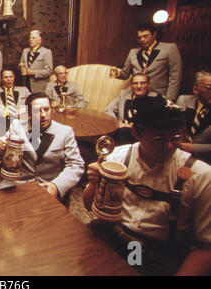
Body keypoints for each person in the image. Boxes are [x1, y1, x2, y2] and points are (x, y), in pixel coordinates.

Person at [83, 96, 211, 276]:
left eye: (175, 137)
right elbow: (89, 206)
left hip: (158, 253)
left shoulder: (201, 176)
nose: (169, 146)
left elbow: (206, 248)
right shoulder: (117, 158)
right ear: (136, 132)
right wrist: (95, 183)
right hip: (113, 236)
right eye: (159, 139)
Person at [0, 93, 84, 204]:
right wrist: (0, 150)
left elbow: (76, 165)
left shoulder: (65, 132)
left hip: (49, 189)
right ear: (29, 113)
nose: (43, 115)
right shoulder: (17, 126)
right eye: (37, 111)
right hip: (17, 187)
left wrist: (56, 186)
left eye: (46, 109)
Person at [114, 23, 182, 101]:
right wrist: (118, 73)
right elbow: (126, 74)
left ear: (154, 34)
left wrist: (170, 98)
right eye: (139, 37)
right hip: (137, 95)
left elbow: (175, 77)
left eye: (145, 36)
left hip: (159, 96)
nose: (142, 40)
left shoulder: (169, 49)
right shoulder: (133, 52)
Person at [105, 73, 159, 145]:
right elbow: (108, 110)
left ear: (148, 85)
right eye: (135, 83)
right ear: (131, 85)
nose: (139, 86)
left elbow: (156, 122)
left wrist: (133, 127)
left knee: (123, 132)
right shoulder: (123, 95)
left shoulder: (155, 99)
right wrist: (117, 123)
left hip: (142, 135)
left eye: (142, 83)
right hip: (120, 131)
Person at [177, 70, 210, 164]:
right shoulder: (183, 101)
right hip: (180, 155)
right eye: (209, 87)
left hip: (206, 160)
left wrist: (194, 147)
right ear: (195, 89)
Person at [0, 69, 30, 138]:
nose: (9, 79)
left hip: (21, 119)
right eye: (6, 77)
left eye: (11, 77)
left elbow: (33, 102)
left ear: (14, 77)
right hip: (3, 121)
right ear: (1, 79)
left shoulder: (24, 90)